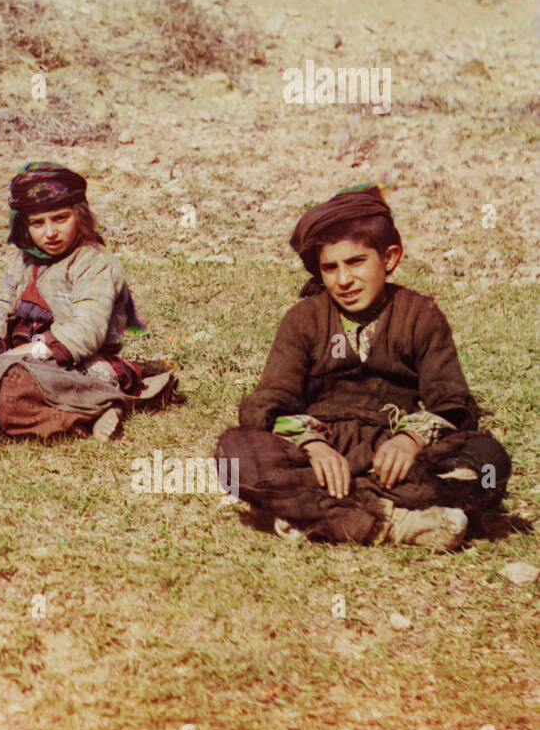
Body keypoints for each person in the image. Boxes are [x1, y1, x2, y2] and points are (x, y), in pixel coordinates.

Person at [217, 184, 510, 550]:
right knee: (234, 456)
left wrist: (410, 439)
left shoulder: (421, 315)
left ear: (389, 258)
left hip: (392, 459)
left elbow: (452, 400)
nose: (343, 280)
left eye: (356, 262)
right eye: (330, 267)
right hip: (320, 455)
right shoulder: (304, 319)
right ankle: (392, 522)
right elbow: (268, 402)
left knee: (488, 467)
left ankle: (317, 512)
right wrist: (313, 445)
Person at [0, 162, 173, 441]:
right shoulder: (21, 263)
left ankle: (94, 404)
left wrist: (9, 359)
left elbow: (85, 333)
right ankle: (81, 411)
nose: (50, 233)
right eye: (38, 223)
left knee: (9, 389)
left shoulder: (95, 262)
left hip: (74, 363)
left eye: (60, 218)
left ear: (80, 217)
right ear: (24, 227)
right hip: (16, 363)